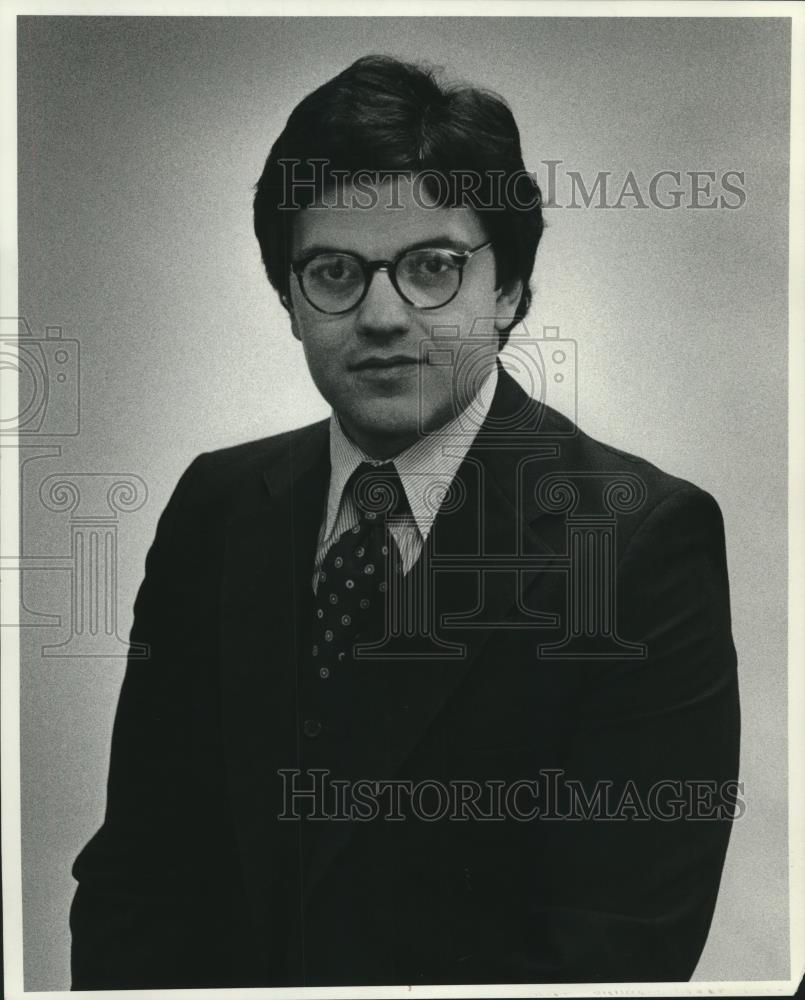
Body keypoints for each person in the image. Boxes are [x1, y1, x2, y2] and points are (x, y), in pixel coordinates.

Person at [70, 55, 741, 988]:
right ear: (289, 301)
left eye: (433, 267)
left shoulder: (636, 541)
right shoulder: (216, 506)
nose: (381, 315)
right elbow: (139, 873)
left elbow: (620, 945)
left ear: (507, 291)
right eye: (334, 272)